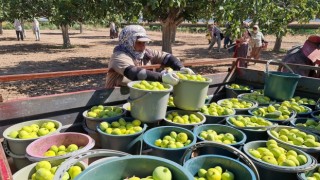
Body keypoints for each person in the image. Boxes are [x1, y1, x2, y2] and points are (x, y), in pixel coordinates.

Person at [105, 25, 195, 88]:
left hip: (138, 94)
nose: (143, 46)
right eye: (139, 42)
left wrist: (181, 67)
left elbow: (167, 57)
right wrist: (161, 77)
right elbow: (133, 72)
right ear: (128, 42)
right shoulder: (119, 56)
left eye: (144, 42)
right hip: (115, 97)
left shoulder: (146, 53)